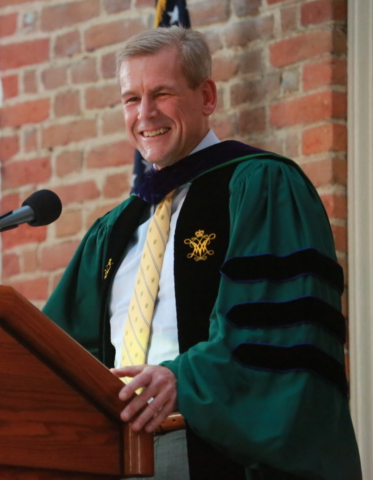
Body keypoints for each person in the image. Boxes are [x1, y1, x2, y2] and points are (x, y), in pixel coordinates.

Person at [42, 27, 361, 480]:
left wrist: (181, 381)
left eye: (162, 94)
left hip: (217, 451)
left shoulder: (261, 187)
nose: (145, 113)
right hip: (116, 456)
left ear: (206, 96)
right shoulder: (113, 232)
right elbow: (54, 351)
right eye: (131, 99)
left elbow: (274, 339)